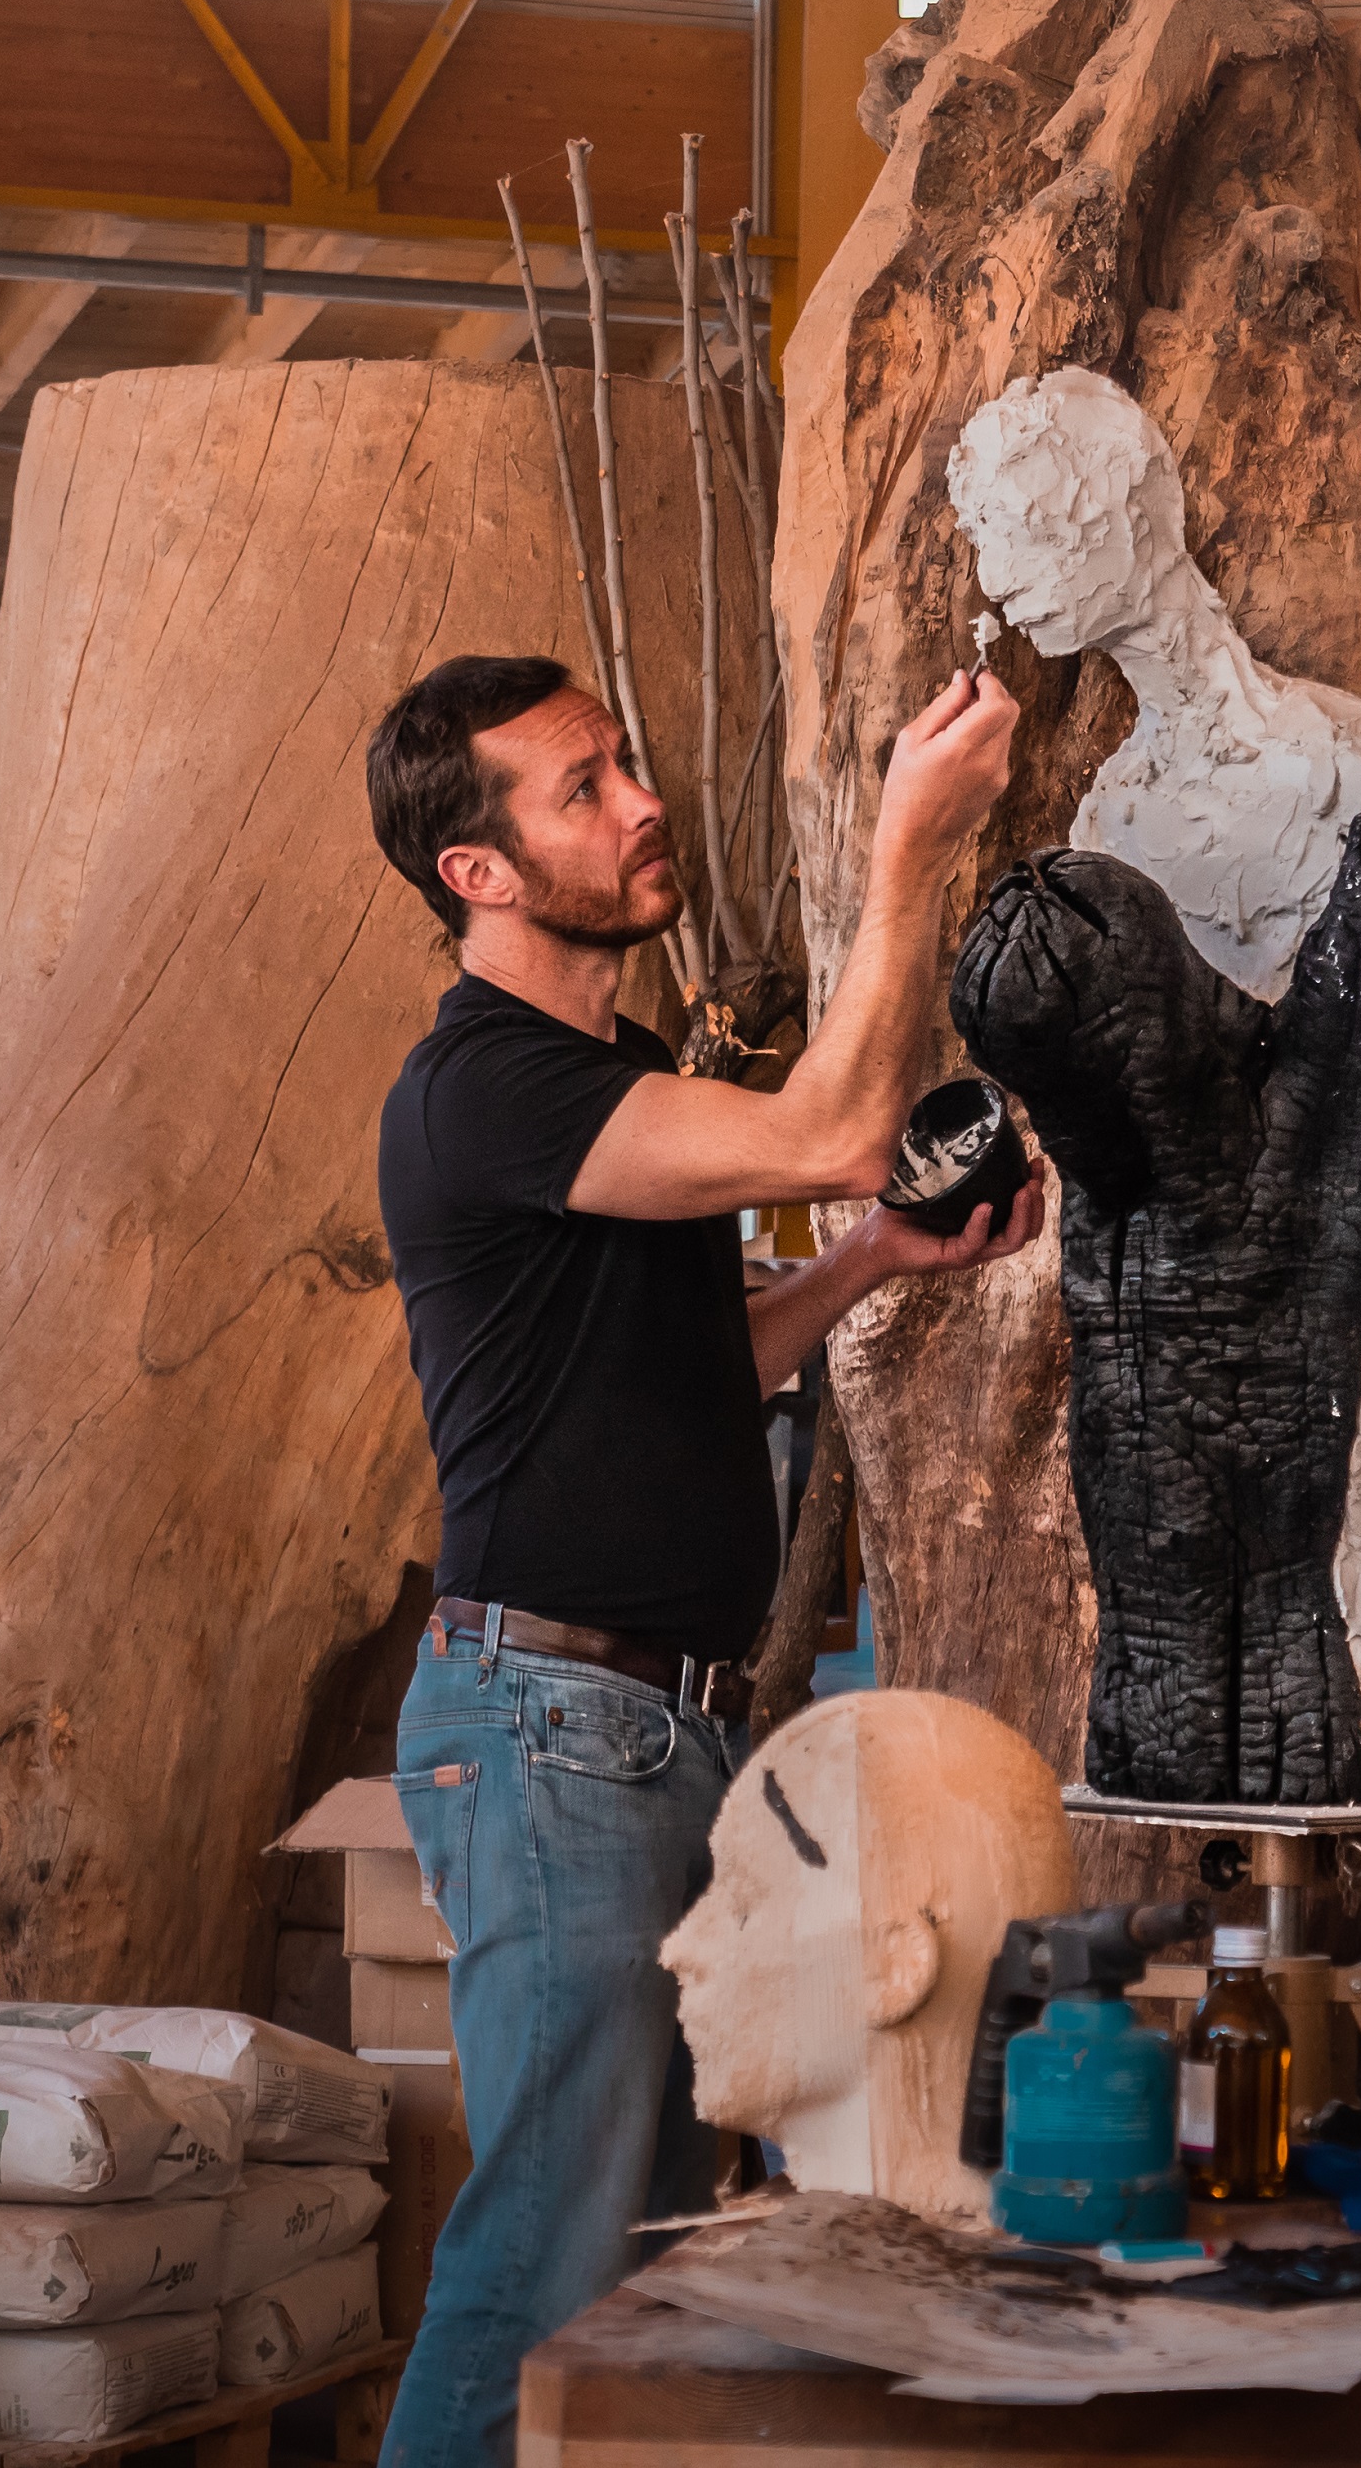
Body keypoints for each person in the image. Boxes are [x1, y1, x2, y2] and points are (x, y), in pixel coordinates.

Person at [362, 653, 1038, 2466]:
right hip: (551, 1723)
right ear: (478, 871)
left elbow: (702, 1362)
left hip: (656, 1727)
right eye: (584, 787)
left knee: (639, 2274)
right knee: (545, 2270)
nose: (641, 800)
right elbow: (824, 1123)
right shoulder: (484, 1088)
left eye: (625, 763)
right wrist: (908, 845)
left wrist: (874, 1260)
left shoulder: (619, 1078)